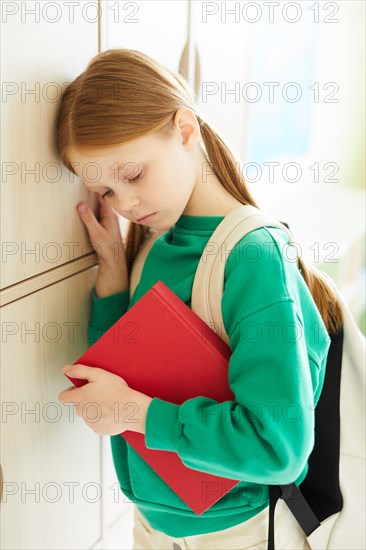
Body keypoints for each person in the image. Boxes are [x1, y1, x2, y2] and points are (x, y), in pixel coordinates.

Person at [56, 49, 344, 550]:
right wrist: (112, 278)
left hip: (242, 534)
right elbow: (123, 370)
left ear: (186, 130)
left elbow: (278, 448)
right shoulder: (153, 242)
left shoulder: (252, 255)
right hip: (152, 525)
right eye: (105, 189)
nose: (124, 204)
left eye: (133, 174)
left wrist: (136, 415)